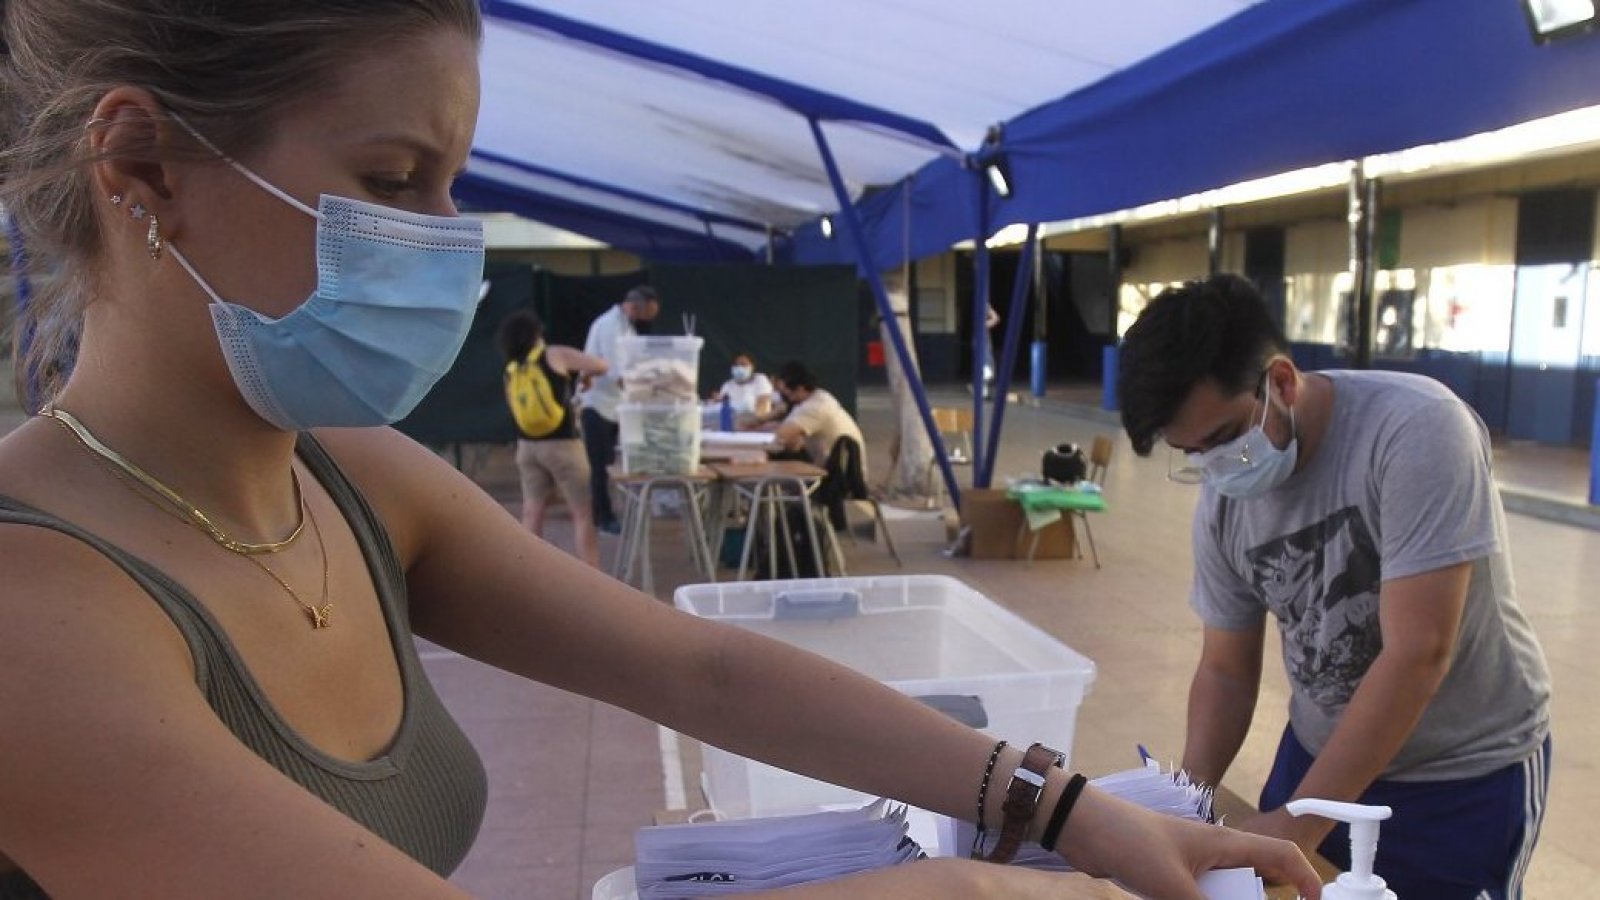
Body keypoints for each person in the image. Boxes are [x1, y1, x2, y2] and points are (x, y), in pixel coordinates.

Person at [0, 4, 1320, 897]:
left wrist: (1067, 809)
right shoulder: (35, 611)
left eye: (457, 181)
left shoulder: (348, 476)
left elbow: (699, 669)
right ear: (143, 164)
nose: (448, 239)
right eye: (398, 179)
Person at [1116, 273, 1552, 899]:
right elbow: (1225, 670)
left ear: (1282, 382)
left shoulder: (1417, 431)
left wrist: (1301, 820)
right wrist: (1185, 802)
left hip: (1459, 777)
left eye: (1222, 439)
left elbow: (1419, 651)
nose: (1215, 466)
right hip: (1320, 753)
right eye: (1193, 453)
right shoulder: (1222, 502)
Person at [496, 309, 608, 568]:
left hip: (526, 447)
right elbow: (601, 365)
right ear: (537, 333)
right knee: (581, 513)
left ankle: (529, 570)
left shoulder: (511, 369)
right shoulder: (554, 355)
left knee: (532, 510)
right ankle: (592, 574)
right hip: (563, 445)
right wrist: (585, 376)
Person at [578, 284, 658, 535]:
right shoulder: (610, 326)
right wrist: (649, 392)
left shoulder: (628, 328)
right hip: (597, 405)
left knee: (612, 463)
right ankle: (602, 517)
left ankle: (612, 512)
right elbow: (616, 371)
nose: (647, 321)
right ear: (635, 307)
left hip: (617, 406)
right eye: (647, 315)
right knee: (600, 466)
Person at [762, 361, 868, 473]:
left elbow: (781, 437)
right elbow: (792, 440)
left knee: (774, 461)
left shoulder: (813, 407)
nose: (784, 397)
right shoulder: (818, 397)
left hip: (839, 477)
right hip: (835, 467)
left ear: (799, 389)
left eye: (786, 393)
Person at [710, 351, 775, 424]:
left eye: (743, 365)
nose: (739, 368)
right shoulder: (727, 385)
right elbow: (721, 408)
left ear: (752, 366)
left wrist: (755, 421)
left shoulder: (760, 380)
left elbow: (764, 404)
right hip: (731, 424)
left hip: (756, 424)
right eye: (736, 365)